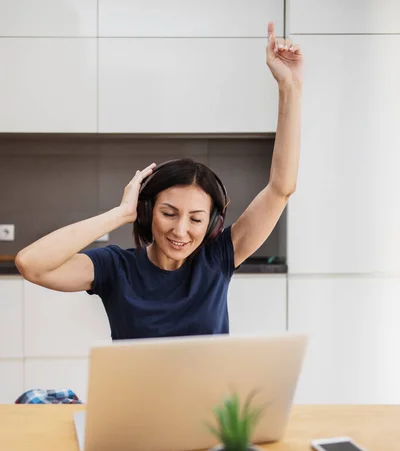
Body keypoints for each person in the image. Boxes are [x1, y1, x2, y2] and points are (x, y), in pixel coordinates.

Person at [16, 22, 303, 341]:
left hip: (206, 394)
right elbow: (31, 264)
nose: (181, 230)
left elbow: (281, 188)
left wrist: (289, 88)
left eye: (196, 219)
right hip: (136, 394)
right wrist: (120, 214)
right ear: (146, 211)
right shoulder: (115, 267)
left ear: (213, 224)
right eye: (169, 213)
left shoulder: (218, 258)